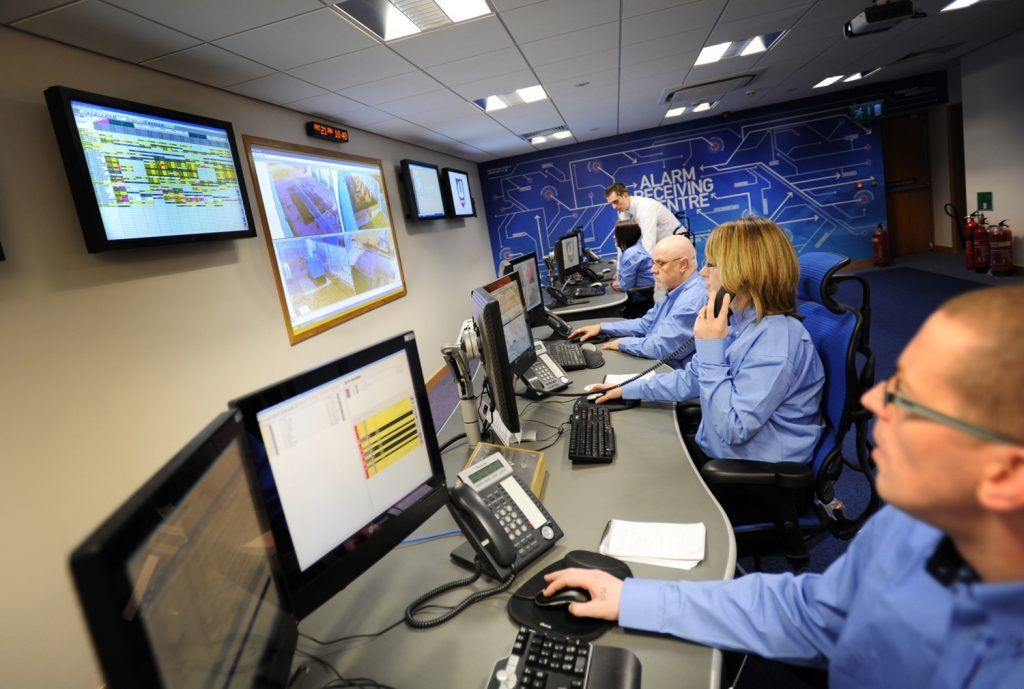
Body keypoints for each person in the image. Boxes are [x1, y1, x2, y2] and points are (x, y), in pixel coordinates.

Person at [543, 285, 1024, 689]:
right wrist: (632, 597)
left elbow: (733, 428)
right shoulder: (913, 523)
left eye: (913, 400)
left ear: (1004, 475)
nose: (874, 401)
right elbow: (816, 612)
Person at [590, 217, 824, 464]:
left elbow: (734, 429)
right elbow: (691, 379)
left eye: (710, 264)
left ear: (743, 272)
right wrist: (626, 388)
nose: (702, 272)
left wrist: (711, 345)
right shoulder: (738, 322)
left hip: (752, 468)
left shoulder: (775, 341)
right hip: (719, 446)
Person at [569, 234, 705, 369]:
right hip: (656, 363)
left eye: (661, 263)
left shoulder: (691, 302)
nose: (653, 270)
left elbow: (659, 348)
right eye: (653, 263)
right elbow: (646, 324)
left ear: (683, 265)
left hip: (668, 371)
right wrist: (602, 327)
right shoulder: (673, 290)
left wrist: (623, 343)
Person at [605, 182, 679, 255]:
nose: (614, 207)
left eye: (616, 201)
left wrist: (645, 265)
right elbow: (622, 241)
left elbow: (648, 241)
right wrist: (621, 265)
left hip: (676, 247)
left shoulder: (646, 207)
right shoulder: (624, 214)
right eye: (611, 203)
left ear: (625, 195)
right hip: (662, 248)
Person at [610, 221, 654, 292]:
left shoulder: (631, 254)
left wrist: (613, 284)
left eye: (616, 234)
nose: (614, 237)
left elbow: (625, 286)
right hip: (646, 291)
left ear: (625, 236)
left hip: (642, 294)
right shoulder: (635, 247)